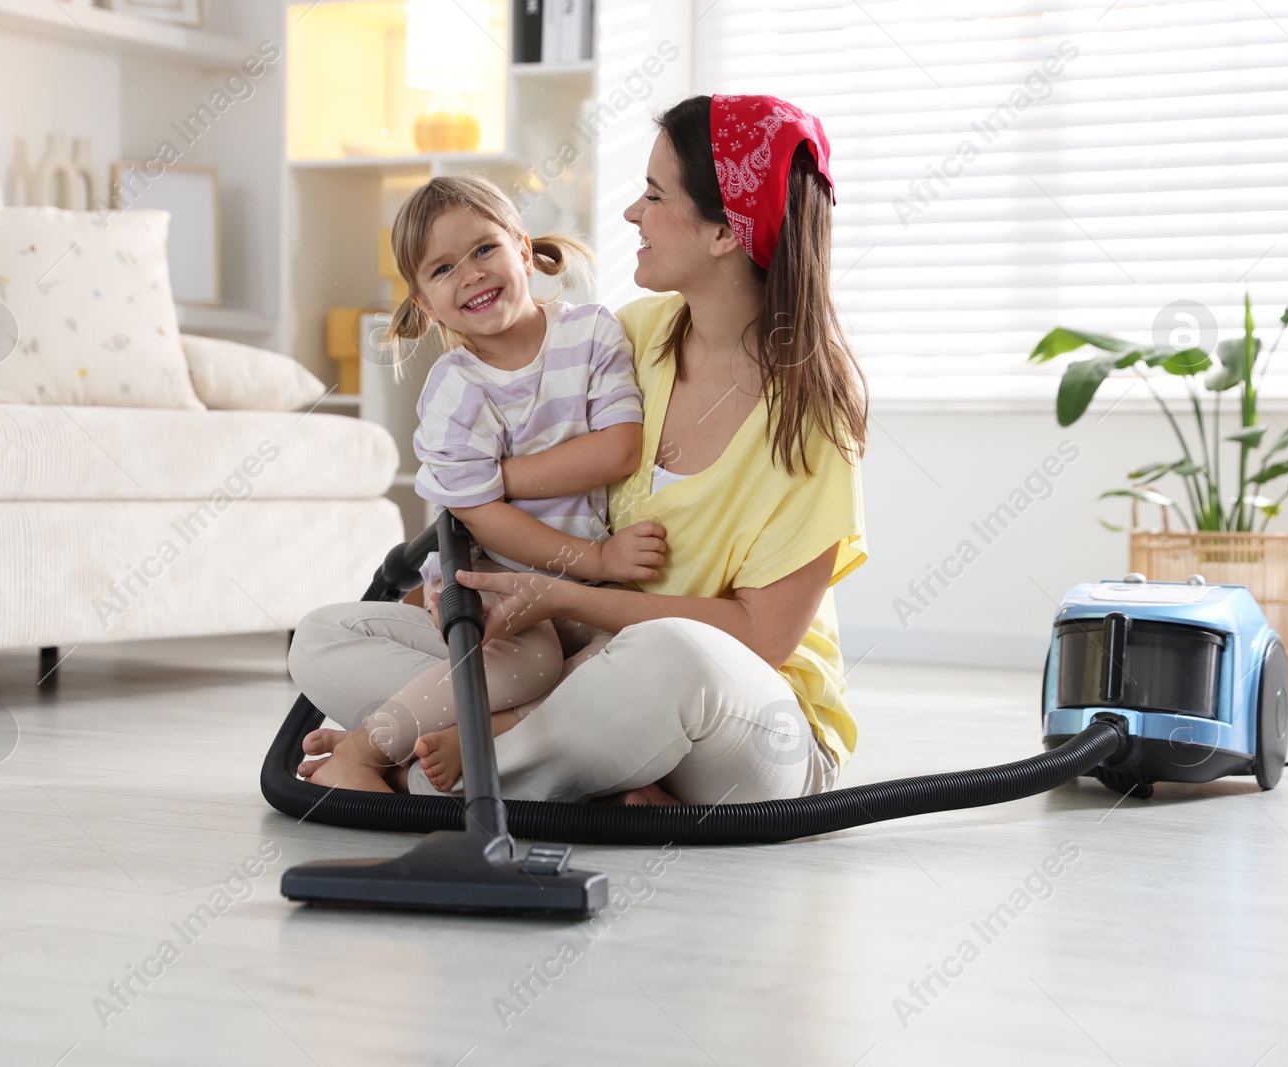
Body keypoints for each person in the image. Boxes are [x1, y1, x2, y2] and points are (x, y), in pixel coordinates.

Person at [289, 93, 868, 805]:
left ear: (724, 232)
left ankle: (441, 765)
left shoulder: (811, 422)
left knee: (670, 656)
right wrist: (477, 512)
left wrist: (558, 589)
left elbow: (762, 638)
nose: (632, 214)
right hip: (576, 661)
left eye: (654, 195)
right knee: (321, 636)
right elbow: (520, 484)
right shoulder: (630, 336)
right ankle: (575, 765)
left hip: (748, 721)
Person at [297, 174, 667, 794]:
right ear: (422, 302)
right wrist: (596, 555)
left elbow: (619, 447)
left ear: (523, 251)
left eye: (483, 250)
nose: (469, 274)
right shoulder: (453, 390)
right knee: (530, 657)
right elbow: (481, 520)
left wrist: (496, 483)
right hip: (490, 583)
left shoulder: (593, 333)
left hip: (587, 594)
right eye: (441, 270)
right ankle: (366, 750)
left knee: (640, 662)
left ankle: (468, 733)